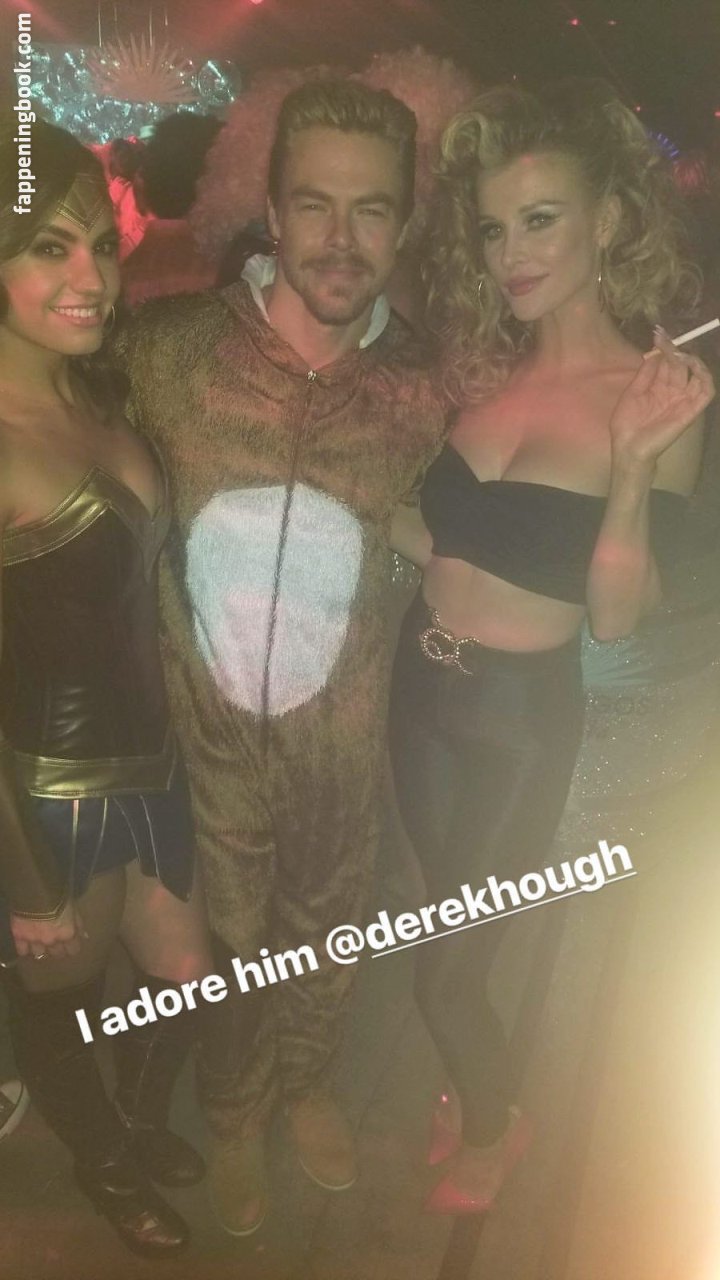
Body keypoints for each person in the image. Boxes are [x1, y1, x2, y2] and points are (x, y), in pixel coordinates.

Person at [112, 78, 447, 1236]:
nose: (341, 239)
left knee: (329, 930)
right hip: (204, 748)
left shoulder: (425, 389)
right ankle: (235, 1116)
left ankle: (308, 1084)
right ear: (270, 208)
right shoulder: (166, 352)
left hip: (344, 747)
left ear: (405, 222)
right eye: (315, 204)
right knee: (231, 946)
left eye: (371, 209)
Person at [387, 79, 715, 1215]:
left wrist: (631, 466)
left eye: (540, 220)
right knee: (439, 914)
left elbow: (617, 614)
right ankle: (473, 1071)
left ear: (608, 221)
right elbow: (440, 538)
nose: (511, 254)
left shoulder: (660, 396)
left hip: (518, 722)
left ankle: (495, 1118)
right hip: (418, 687)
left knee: (445, 967)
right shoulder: (490, 369)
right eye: (492, 229)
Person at [0, 115, 213, 1256]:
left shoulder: (102, 393)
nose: (90, 277)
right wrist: (24, 882)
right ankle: (105, 1159)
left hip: (154, 757)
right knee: (61, 994)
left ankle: (125, 1119)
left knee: (185, 971)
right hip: (46, 789)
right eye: (49, 247)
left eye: (101, 245)